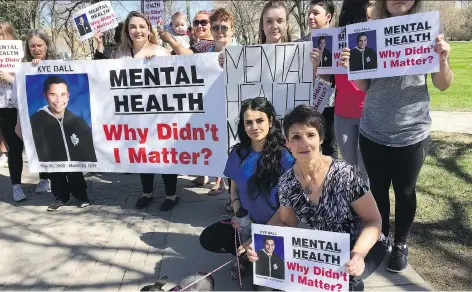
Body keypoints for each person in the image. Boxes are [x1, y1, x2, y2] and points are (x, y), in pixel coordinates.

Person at [339, 0, 453, 274]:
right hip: (373, 130)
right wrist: (352, 69)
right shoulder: (368, 31)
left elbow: (442, 84)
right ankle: (380, 237)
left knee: (405, 192)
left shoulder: (427, 30)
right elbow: (363, 86)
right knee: (377, 190)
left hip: (411, 132)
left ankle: (400, 243)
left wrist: (443, 58)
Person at [245, 105, 387, 291]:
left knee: (348, 281)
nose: (304, 143)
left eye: (310, 135)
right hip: (323, 251)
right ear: (287, 142)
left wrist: (358, 254)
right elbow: (287, 224)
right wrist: (260, 245)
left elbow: (373, 220)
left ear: (321, 138)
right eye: (296, 137)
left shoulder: (346, 174)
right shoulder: (287, 182)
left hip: (362, 245)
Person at [199, 97, 294, 289]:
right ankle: (244, 256)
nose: (254, 127)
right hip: (247, 224)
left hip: (277, 228)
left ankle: (255, 255)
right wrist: (238, 212)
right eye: (248, 122)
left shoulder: (285, 157)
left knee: (263, 288)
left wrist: (261, 237)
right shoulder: (238, 153)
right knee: (209, 238)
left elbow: (289, 206)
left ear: (271, 120)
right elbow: (234, 188)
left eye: (260, 121)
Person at [114, 11, 178, 212]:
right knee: (143, 153)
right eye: (133, 27)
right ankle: (147, 192)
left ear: (148, 29)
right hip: (135, 116)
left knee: (164, 153)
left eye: (142, 26)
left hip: (160, 115)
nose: (137, 31)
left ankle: (171, 195)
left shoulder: (160, 51)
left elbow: (175, 82)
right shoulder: (121, 54)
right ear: (127, 30)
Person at [333, 0, 375, 184]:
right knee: (350, 169)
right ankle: (355, 209)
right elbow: (330, 79)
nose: (375, 8)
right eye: (371, 3)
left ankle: (368, 211)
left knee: (366, 171)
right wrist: (317, 67)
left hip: (369, 112)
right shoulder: (335, 37)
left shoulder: (375, 35)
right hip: (342, 114)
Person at [17, 29, 63, 194]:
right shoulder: (25, 66)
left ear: (46, 45)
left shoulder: (57, 62)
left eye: (39, 45)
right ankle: (44, 179)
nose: (36, 49)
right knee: (40, 144)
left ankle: (61, 182)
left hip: (56, 110)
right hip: (36, 111)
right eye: (32, 46)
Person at [296, 0, 338, 159]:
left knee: (330, 146)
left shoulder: (339, 41)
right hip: (306, 104)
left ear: (328, 17)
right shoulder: (299, 44)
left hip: (331, 104)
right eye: (309, 13)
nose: (310, 17)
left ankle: (331, 181)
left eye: (315, 13)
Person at [30, 76, 97, 162]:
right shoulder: (36, 120)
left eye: (63, 94)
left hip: (75, 173)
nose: (58, 100)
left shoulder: (78, 122)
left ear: (68, 96)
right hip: (51, 174)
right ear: (45, 96)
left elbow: (90, 150)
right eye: (53, 94)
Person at [0, 21, 26, 201]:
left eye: (1, 33)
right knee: (10, 146)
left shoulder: (20, 55)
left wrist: (9, 77)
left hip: (13, 106)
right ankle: (15, 186)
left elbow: (26, 82)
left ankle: (18, 185)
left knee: (16, 146)